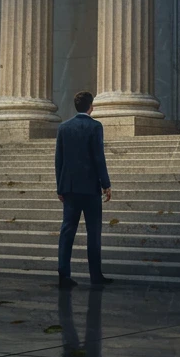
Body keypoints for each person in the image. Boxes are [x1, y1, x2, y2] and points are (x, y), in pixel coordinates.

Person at [55, 90, 113, 288]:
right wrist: (106, 184)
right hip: (90, 188)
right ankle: (95, 275)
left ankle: (64, 275)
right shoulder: (95, 127)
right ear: (91, 106)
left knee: (67, 231)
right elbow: (98, 157)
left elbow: (59, 161)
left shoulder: (64, 127)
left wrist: (59, 188)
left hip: (70, 188)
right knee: (93, 232)